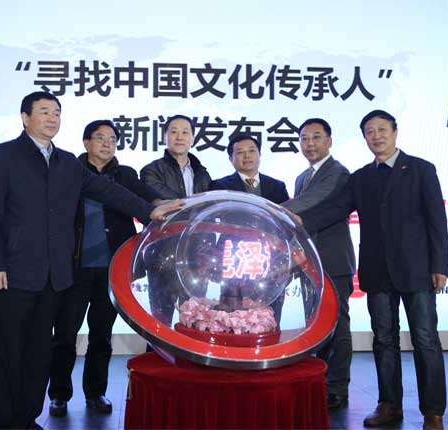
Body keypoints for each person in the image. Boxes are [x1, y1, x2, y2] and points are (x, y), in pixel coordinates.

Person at [0, 92, 182, 429]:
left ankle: (27, 418)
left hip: (55, 277)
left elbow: (109, 191)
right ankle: (8, 423)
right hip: (12, 274)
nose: (52, 118)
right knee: (9, 354)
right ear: (25, 118)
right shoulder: (4, 156)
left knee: (39, 355)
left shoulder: (67, 162)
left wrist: (149, 211)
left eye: (57, 112)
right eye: (44, 112)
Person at [299, 110, 448, 430]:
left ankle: (433, 412)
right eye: (369, 131)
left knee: (425, 340)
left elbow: (437, 220)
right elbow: (336, 210)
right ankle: (389, 405)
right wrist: (298, 221)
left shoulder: (421, 169)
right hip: (377, 271)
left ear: (395, 132)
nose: (376, 136)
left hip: (417, 270)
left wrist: (440, 265)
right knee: (383, 339)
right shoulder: (361, 177)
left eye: (382, 129)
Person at [47, 120, 162, 417]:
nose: (107, 143)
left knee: (101, 335)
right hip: (76, 268)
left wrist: (169, 205)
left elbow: (150, 198)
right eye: (100, 138)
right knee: (65, 335)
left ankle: (96, 392)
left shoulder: (125, 175)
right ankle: (58, 394)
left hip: (111, 270)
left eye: (112, 139)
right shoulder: (70, 171)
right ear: (86, 142)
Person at [282, 118, 356, 410]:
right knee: (316, 324)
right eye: (304, 138)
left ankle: (337, 387)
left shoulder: (338, 173)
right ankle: (320, 383)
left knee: (338, 325)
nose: (309, 144)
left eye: (316, 137)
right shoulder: (303, 176)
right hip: (309, 263)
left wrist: (272, 209)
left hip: (334, 260)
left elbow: (315, 201)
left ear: (329, 141)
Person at [140, 114, 211, 326]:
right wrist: (196, 204)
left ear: (193, 138)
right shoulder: (151, 170)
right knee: (160, 321)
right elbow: (171, 204)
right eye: (173, 132)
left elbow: (210, 211)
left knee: (195, 320)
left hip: (197, 256)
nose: (179, 137)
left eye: (185, 132)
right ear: (165, 137)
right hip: (163, 255)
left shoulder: (202, 173)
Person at [210, 133, 289, 320]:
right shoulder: (219, 186)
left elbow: (286, 224)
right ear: (231, 158)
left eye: (252, 151)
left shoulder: (277, 186)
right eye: (240, 152)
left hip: (270, 261)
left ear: (259, 154)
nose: (247, 156)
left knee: (269, 317)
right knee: (234, 318)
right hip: (234, 260)